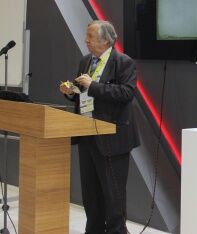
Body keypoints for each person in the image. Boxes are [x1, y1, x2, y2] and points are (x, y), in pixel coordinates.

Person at [59, 20, 140, 234]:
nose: (86, 40)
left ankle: (116, 231)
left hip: (112, 138)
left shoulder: (123, 62)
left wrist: (92, 85)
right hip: (86, 134)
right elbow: (83, 93)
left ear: (105, 40)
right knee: (91, 194)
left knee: (113, 195)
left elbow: (126, 93)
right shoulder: (85, 61)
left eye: (91, 37)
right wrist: (71, 92)